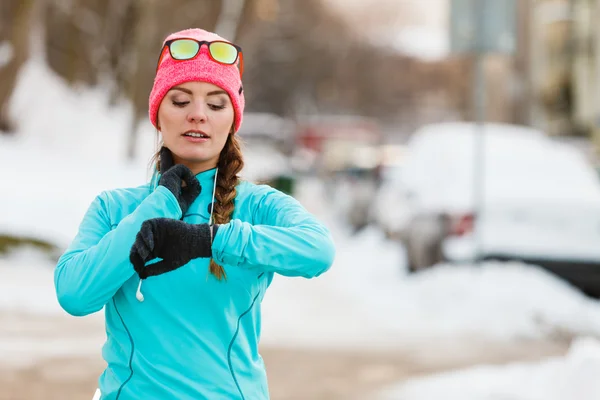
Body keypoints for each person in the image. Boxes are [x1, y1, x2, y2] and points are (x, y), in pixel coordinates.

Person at [53, 28, 336, 400]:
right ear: (158, 115)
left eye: (216, 105)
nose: (198, 115)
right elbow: (75, 293)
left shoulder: (256, 205)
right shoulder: (115, 208)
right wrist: (162, 202)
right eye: (181, 101)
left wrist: (208, 240)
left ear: (232, 120)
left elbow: (318, 250)